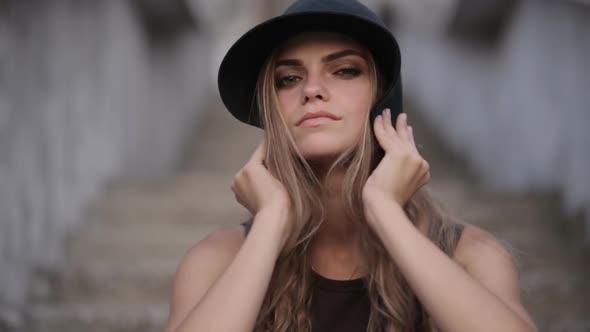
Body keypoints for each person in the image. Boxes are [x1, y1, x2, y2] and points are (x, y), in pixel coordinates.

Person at [165, 0, 537, 331]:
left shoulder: (472, 256)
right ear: (272, 110)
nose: (311, 89)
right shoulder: (216, 260)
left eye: (344, 70)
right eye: (288, 78)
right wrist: (271, 220)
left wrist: (385, 209)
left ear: (383, 99)